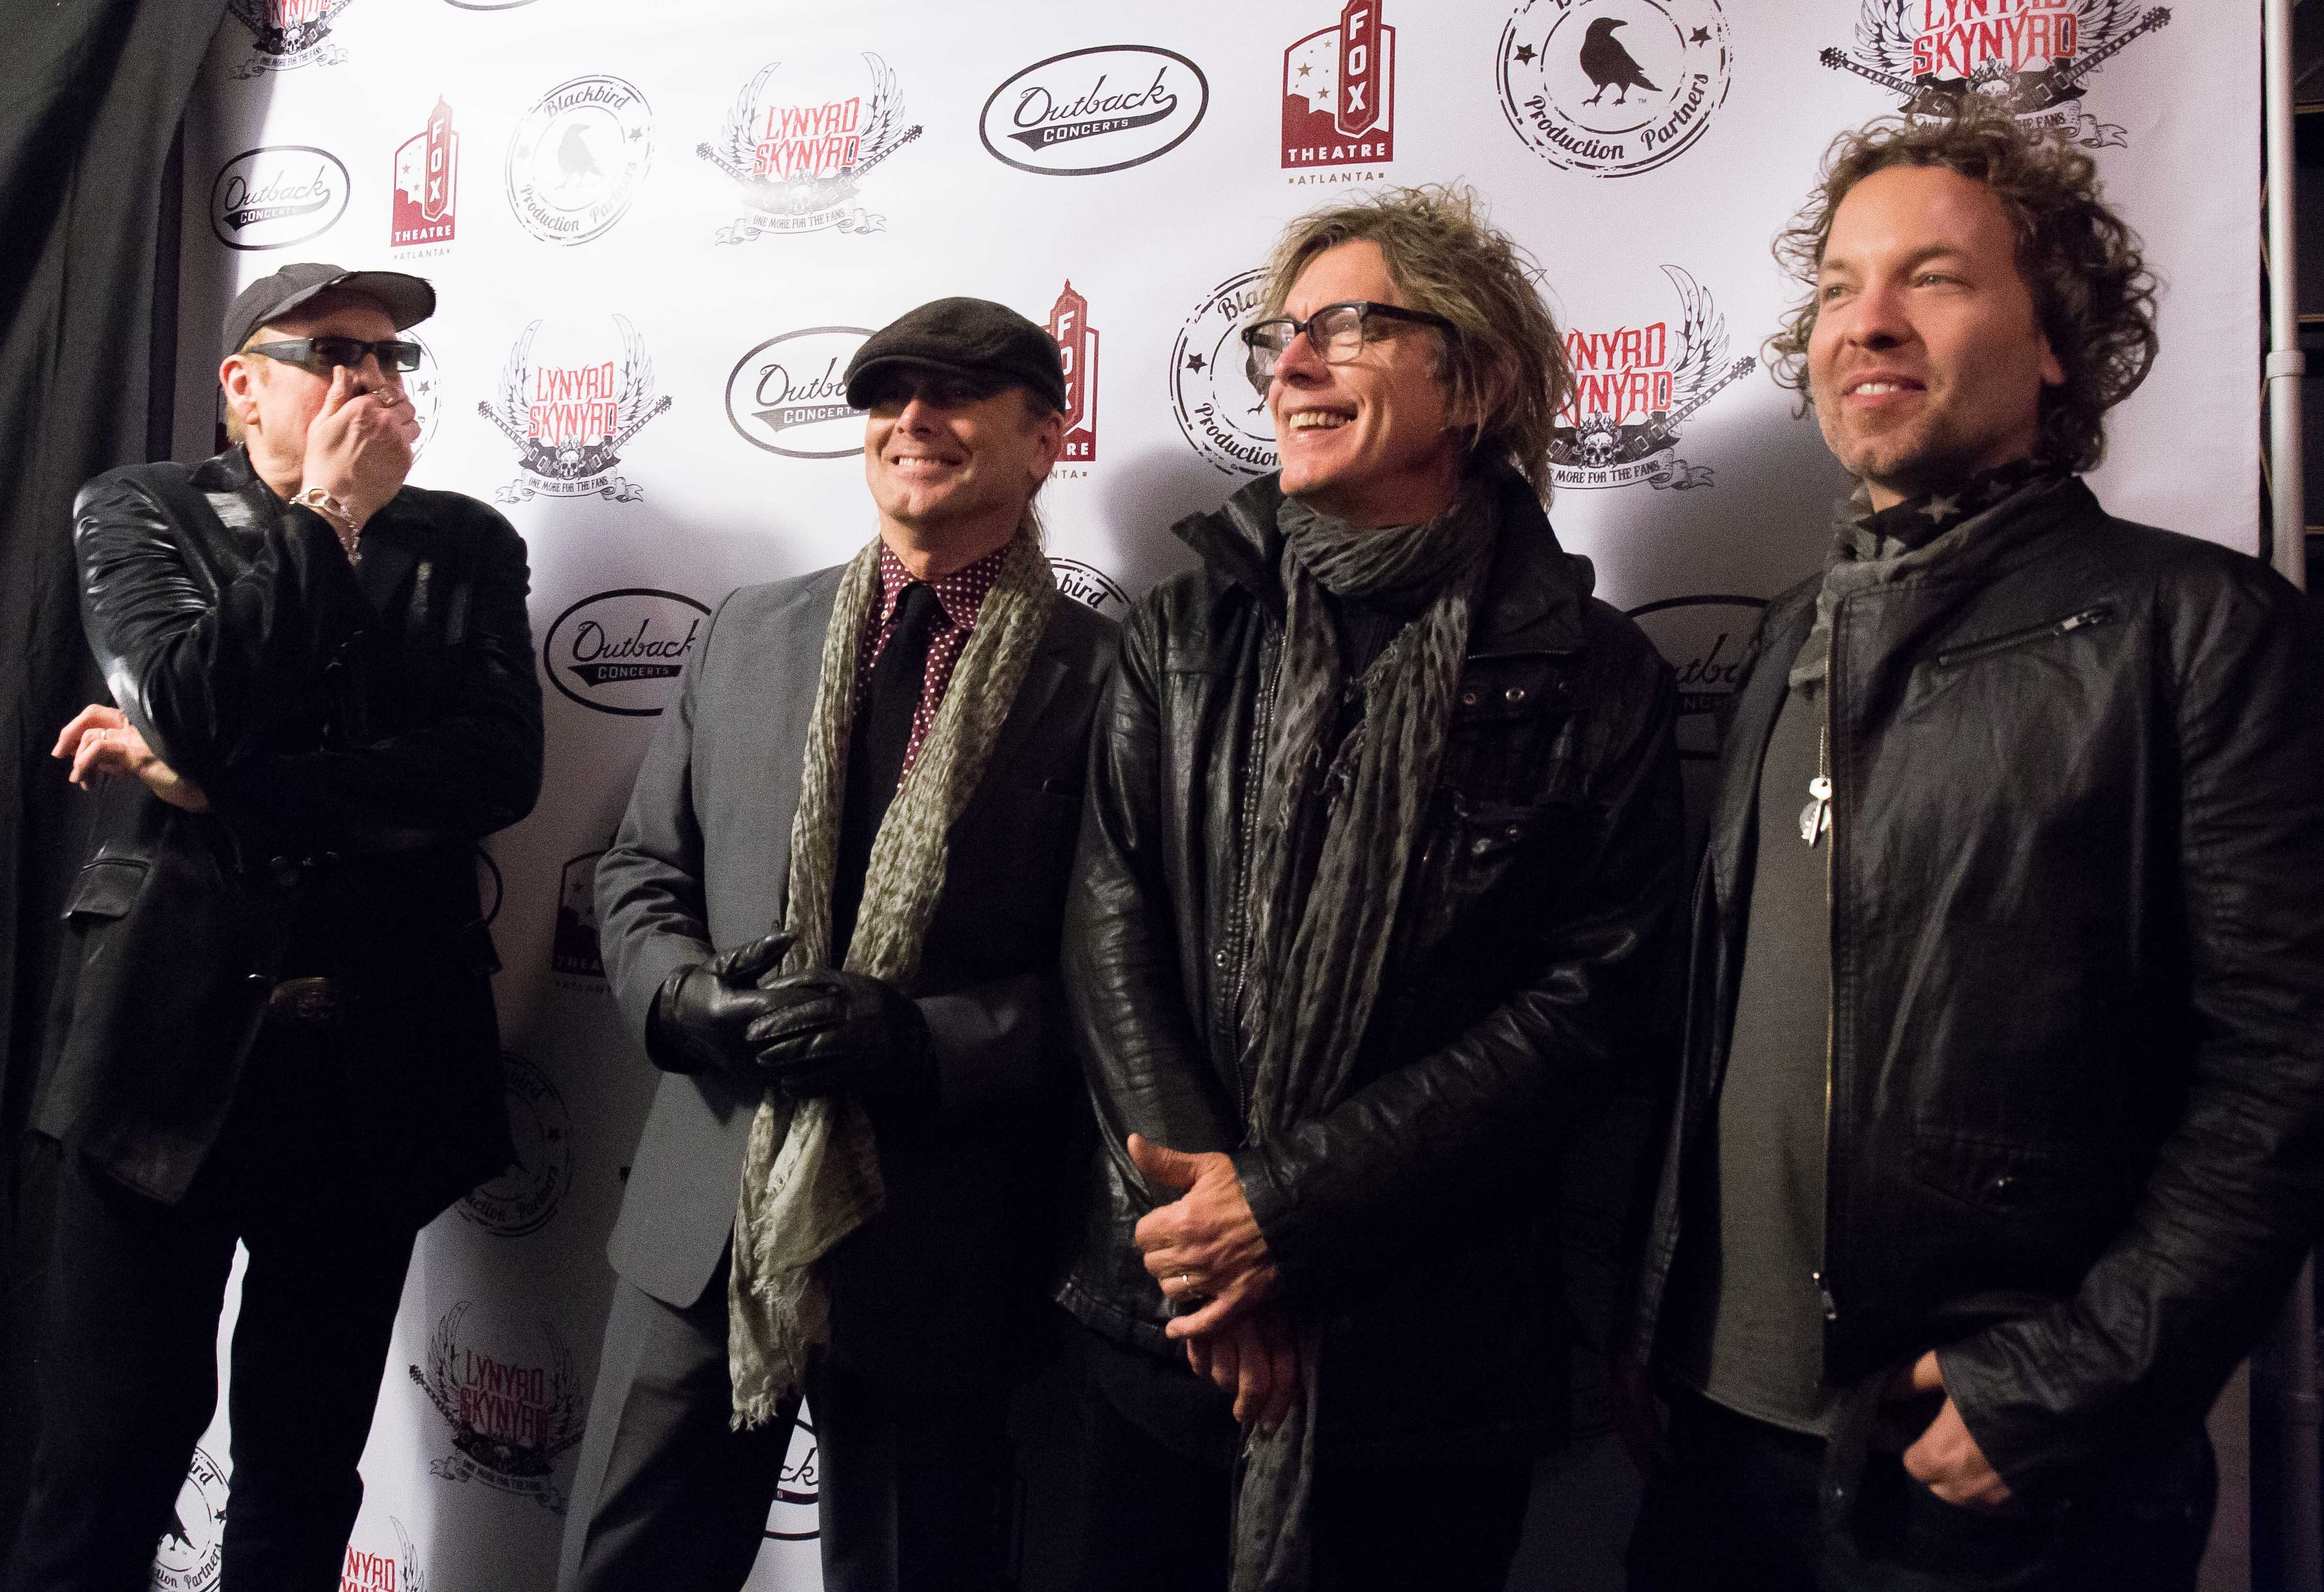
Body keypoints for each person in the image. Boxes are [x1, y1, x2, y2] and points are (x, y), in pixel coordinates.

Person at [1622, 102, 2324, 1592]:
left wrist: (2062, 1385)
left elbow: (2290, 1064)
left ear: (2056, 337)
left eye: (1933, 277)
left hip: (1990, 1483)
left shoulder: (2198, 629)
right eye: (1836, 288)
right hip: (1714, 1450)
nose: (1866, 321)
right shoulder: (1797, 633)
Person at [1055, 184, 1685, 1592]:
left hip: (1429, 1356)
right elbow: (1112, 928)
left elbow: (1593, 1002)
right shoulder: (1182, 628)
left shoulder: (1596, 674)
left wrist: (1288, 1208)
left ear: (1478, 377)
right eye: (1280, 335)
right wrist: (1210, 1245)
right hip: (1169, 1336)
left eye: (1349, 327)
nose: (1291, 364)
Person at [557, 297, 1117, 1592]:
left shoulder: (1113, 674)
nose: (912, 418)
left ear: (1046, 441)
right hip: (707, 1211)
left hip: (944, 1236)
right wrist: (684, 1001)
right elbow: (644, 869)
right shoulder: (749, 630)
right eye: (887, 394)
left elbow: (1116, 972)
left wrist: (918, 1040)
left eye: (957, 392)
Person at [11, 261, 542, 1591]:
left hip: (372, 1066)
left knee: (305, 1469)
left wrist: (214, 787)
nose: (373, 379)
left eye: (393, 360)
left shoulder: (468, 542)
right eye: (334, 352)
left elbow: (490, 770)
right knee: (106, 1460)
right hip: (165, 1056)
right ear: (245, 385)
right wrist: (325, 520)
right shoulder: (138, 508)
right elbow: (189, 692)